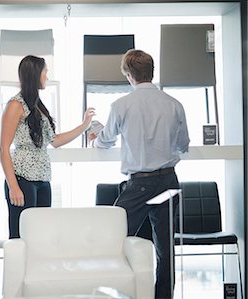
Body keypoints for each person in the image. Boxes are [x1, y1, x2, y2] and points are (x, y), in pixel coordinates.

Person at [88, 49, 190, 299]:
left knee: (112, 239)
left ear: (128, 74)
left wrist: (94, 138)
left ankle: (113, 293)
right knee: (165, 250)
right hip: (168, 181)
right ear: (151, 72)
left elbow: (105, 141)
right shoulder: (174, 105)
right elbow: (183, 145)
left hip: (139, 185)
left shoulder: (121, 105)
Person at [0, 55, 95, 239]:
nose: (47, 77)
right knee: (21, 237)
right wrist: (13, 186)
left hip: (43, 180)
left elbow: (55, 141)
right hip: (22, 180)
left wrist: (84, 126)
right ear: (35, 74)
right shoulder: (15, 105)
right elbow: (3, 148)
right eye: (45, 72)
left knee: (41, 237)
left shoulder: (38, 106)